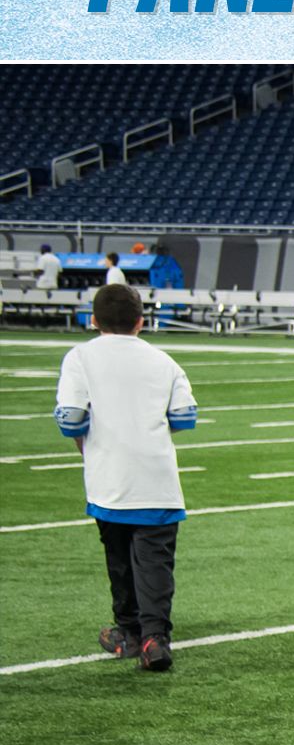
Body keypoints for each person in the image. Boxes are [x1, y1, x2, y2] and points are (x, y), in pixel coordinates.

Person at [56, 281, 196, 672]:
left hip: (108, 476)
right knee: (154, 560)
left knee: (118, 556)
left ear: (94, 319)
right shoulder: (163, 360)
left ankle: (129, 632)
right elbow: (185, 417)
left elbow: (70, 418)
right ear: (141, 321)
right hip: (157, 478)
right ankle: (156, 638)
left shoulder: (80, 357)